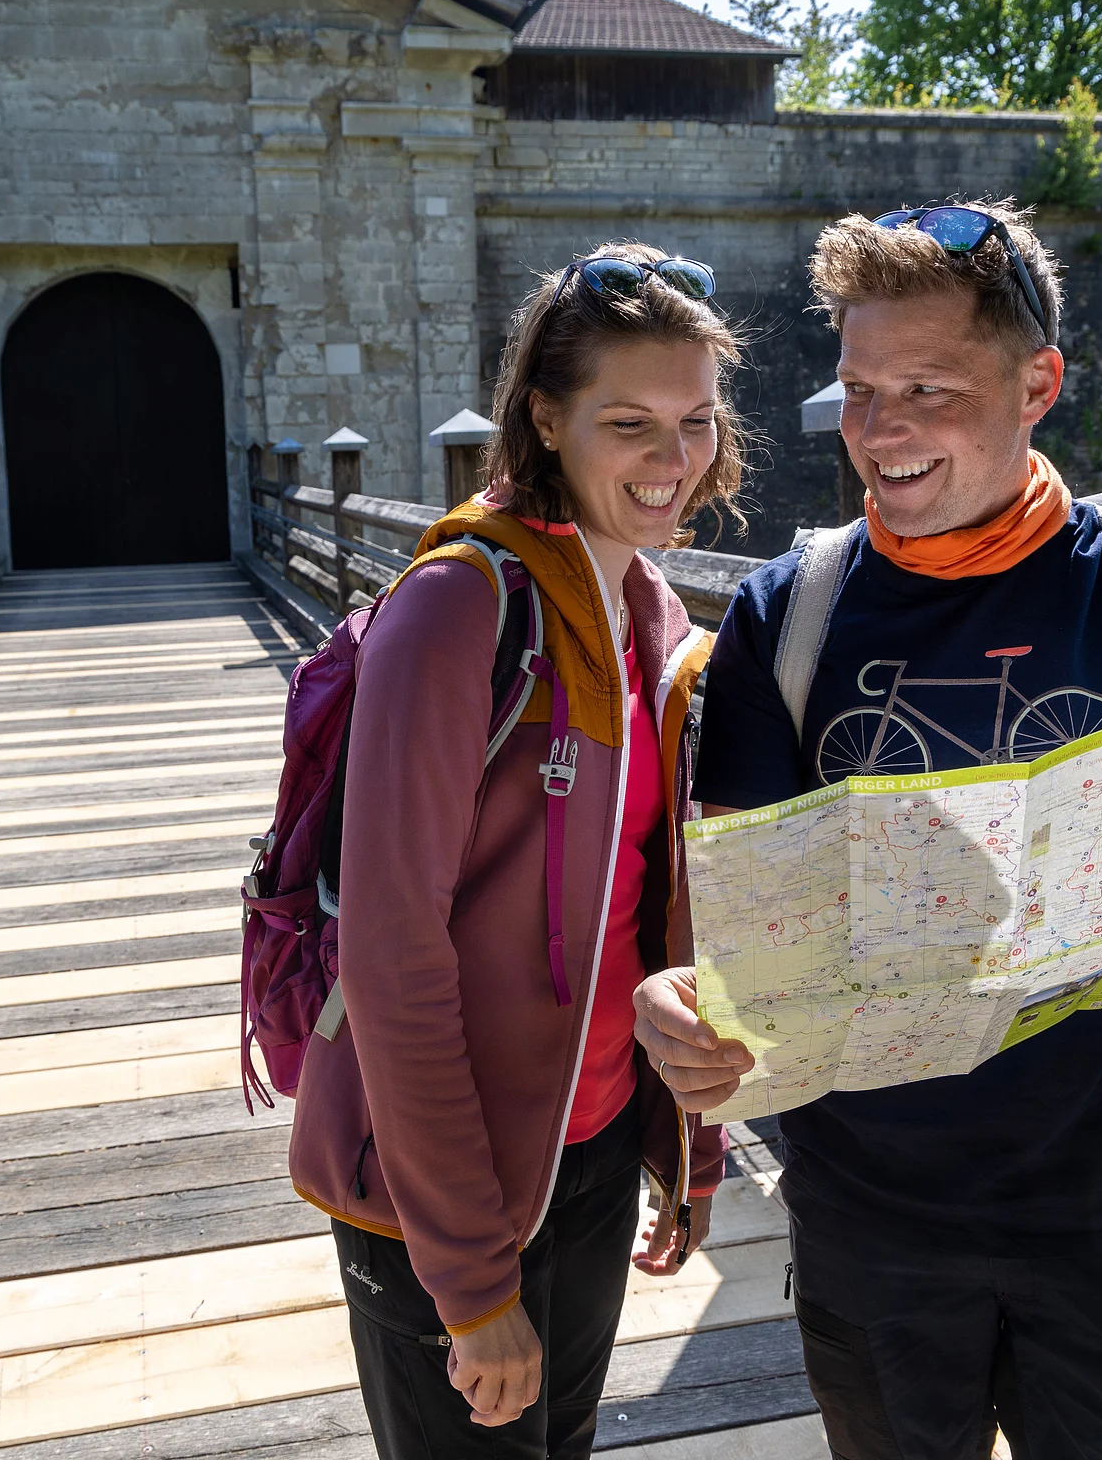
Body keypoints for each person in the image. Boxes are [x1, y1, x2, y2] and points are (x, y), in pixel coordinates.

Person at [634, 204, 1102, 1459]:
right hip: (873, 1219)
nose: (878, 430)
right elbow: (739, 916)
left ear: (1039, 383)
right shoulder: (788, 615)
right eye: (861, 387)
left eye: (928, 385)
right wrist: (686, 1001)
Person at [291, 244, 739, 1459]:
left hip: (586, 1151)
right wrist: (471, 1281)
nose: (673, 460)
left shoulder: (653, 618)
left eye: (696, 421)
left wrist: (680, 1150)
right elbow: (390, 957)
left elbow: (647, 911)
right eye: (631, 422)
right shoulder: (458, 606)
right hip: (445, 1185)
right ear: (546, 417)